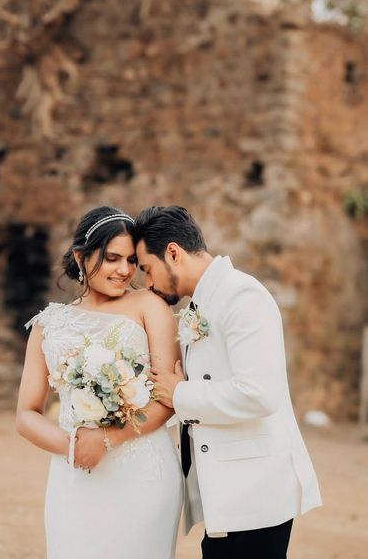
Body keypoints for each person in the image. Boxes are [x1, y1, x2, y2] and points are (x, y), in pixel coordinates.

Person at [134, 206, 322, 559]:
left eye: (147, 268)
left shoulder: (242, 296)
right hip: (229, 494)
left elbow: (259, 394)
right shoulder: (203, 303)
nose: (147, 283)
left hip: (256, 495)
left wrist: (180, 393)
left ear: (173, 253)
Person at [16, 206, 183, 559]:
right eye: (111, 258)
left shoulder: (149, 306)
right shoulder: (49, 323)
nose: (124, 271)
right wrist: (74, 447)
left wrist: (108, 439)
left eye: (131, 261)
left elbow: (168, 399)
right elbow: (26, 414)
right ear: (81, 256)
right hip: (75, 472)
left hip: (142, 471)